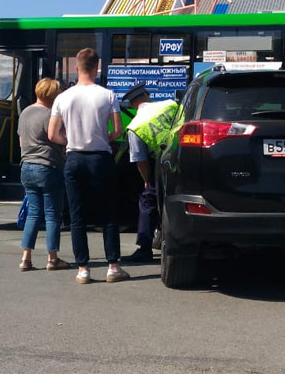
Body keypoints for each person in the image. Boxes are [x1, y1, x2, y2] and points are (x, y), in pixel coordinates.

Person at [48, 48, 130, 284]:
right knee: (109, 214)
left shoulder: (63, 98)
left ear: (77, 68)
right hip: (100, 158)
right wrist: (105, 138)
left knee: (77, 216)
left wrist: (70, 140)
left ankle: (83, 269)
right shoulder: (108, 95)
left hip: (74, 158)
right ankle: (113, 266)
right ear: (97, 68)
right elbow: (118, 130)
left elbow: (52, 134)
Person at [120, 82, 180, 263]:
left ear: (131, 105)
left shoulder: (135, 126)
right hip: (187, 157)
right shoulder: (170, 105)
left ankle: (144, 248)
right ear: (147, 95)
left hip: (163, 165)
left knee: (148, 201)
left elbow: (141, 160)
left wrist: (147, 180)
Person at [17, 78, 72, 272]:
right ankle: (52, 258)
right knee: (52, 215)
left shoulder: (25, 112)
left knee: (33, 213)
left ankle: (25, 258)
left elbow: (21, 142)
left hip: (26, 167)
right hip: (48, 167)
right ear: (52, 96)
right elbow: (57, 137)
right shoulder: (50, 114)